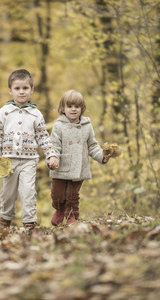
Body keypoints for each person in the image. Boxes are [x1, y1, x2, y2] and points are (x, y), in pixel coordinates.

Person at [0, 69, 59, 230]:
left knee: (28, 191)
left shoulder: (36, 114)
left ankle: (29, 222)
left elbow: (43, 137)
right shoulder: (4, 112)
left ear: (32, 90)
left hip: (29, 160)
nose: (21, 92)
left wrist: (51, 154)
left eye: (25, 88)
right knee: (8, 193)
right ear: (10, 90)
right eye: (17, 88)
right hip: (7, 160)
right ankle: (5, 219)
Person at [49, 89, 109, 225]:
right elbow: (54, 145)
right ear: (62, 109)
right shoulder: (58, 126)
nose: (73, 109)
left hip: (79, 167)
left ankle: (72, 216)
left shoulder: (87, 126)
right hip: (61, 166)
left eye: (77, 106)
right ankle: (59, 209)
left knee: (72, 195)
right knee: (57, 194)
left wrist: (102, 157)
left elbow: (92, 146)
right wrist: (53, 158)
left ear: (82, 109)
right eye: (69, 106)